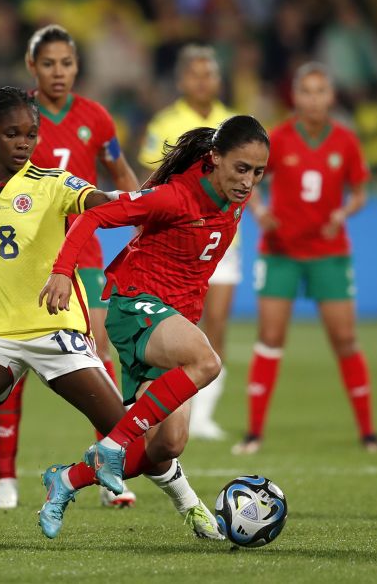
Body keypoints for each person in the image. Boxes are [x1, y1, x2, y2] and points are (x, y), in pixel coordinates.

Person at [0, 87, 219, 547]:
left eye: (31, 134)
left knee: (127, 435)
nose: (24, 143)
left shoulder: (56, 184)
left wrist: (153, 196)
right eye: (13, 134)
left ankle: (192, 507)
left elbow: (105, 201)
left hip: (56, 330)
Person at [38, 115, 269, 533]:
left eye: (258, 172)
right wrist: (60, 270)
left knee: (167, 445)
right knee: (207, 362)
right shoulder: (173, 197)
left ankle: (67, 480)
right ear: (215, 159)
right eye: (241, 168)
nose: (249, 181)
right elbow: (94, 217)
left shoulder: (233, 194)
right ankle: (110, 444)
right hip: (136, 305)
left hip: (174, 320)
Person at [0, 24, 140, 509]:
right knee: (12, 362)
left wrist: (141, 215)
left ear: (77, 66)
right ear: (32, 66)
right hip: (26, 260)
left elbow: (119, 172)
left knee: (96, 359)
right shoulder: (13, 116)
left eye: (66, 63)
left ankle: (111, 472)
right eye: (49, 64)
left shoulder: (96, 118)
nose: (58, 72)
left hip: (84, 256)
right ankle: (6, 479)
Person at [231, 63, 377, 456]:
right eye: (307, 92)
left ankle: (369, 433)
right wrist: (259, 211)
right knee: (270, 339)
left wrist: (343, 213)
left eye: (321, 91)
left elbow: (359, 193)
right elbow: (248, 182)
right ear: (295, 97)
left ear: (331, 97)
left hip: (328, 254)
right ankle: (253, 433)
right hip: (281, 252)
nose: (314, 99)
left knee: (345, 339)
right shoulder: (278, 138)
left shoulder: (346, 141)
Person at [138, 44, 237, 440]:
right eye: (195, 74)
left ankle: (204, 415)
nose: (203, 80)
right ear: (181, 80)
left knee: (217, 324)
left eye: (209, 73)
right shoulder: (164, 123)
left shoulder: (234, 122)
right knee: (179, 328)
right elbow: (152, 180)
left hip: (222, 239)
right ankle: (174, 406)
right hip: (175, 243)